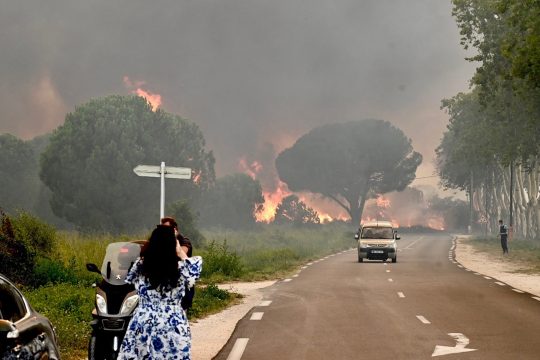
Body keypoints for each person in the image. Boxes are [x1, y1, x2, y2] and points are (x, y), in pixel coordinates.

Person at [117, 225, 202, 360]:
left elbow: (128, 279)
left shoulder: (141, 266)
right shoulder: (180, 269)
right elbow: (194, 271)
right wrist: (179, 251)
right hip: (172, 322)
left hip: (143, 320)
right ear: (174, 244)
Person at [161, 216, 195, 310]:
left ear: (174, 229)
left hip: (183, 282)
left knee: (181, 312)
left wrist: (174, 239)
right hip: (169, 283)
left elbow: (181, 253)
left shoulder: (184, 241)